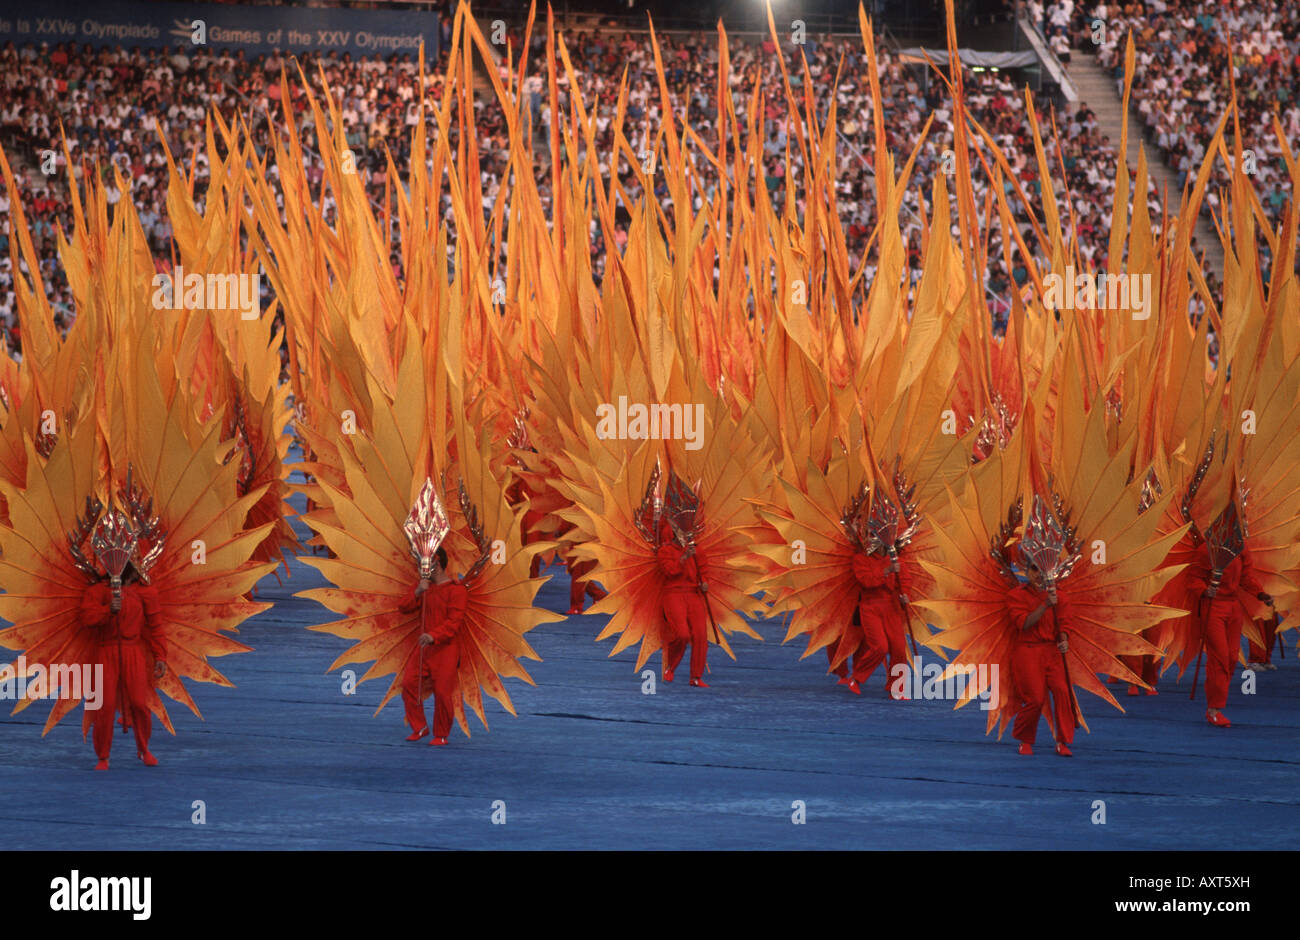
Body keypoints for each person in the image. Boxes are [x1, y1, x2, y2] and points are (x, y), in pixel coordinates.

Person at [78, 569, 167, 770]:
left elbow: (156, 626)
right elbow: (86, 618)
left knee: (139, 703)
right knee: (105, 705)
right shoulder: (98, 590)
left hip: (133, 650)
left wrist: (160, 655)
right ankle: (103, 756)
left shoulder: (146, 592)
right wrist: (107, 609)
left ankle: (144, 749)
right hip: (105, 651)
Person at [1188, 548, 1268, 727]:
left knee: (1232, 657)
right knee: (1220, 657)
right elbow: (1193, 578)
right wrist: (1204, 590)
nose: (1244, 529)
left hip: (1233, 607)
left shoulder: (1241, 549)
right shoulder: (1207, 549)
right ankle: (1214, 709)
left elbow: (1246, 577)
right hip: (1213, 606)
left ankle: (1216, 695)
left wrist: (1260, 593)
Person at [399, 547, 467, 746]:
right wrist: (418, 591)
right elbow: (403, 608)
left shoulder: (457, 590)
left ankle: (441, 733)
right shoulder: (424, 587)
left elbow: (454, 623)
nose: (421, 568)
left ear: (437, 564)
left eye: (425, 564)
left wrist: (433, 635)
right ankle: (419, 726)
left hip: (446, 649)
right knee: (409, 683)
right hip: (424, 648)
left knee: (443, 692)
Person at [1005, 571, 1074, 756]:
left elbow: (1064, 623)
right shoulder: (1016, 595)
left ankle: (1063, 741)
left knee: (1063, 691)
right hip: (1028, 651)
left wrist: (1064, 639)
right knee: (1035, 699)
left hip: (1052, 651)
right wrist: (1045, 605)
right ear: (1027, 571)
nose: (1038, 575)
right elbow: (1024, 623)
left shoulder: (1060, 595)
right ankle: (1025, 739)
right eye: (1034, 569)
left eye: (1042, 571)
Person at [844, 548, 911, 698]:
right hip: (870, 606)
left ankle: (897, 689)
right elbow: (866, 581)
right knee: (880, 646)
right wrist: (887, 571)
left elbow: (904, 582)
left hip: (891, 606)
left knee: (899, 648)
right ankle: (856, 677)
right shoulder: (860, 559)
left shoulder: (896, 559)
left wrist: (904, 595)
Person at [657, 519, 711, 687]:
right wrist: (683, 557)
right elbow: (670, 572)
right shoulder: (664, 551)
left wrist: (705, 583)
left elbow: (704, 571)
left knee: (701, 635)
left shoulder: (697, 550)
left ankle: (696, 676)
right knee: (682, 634)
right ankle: (671, 666)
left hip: (693, 594)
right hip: (673, 593)